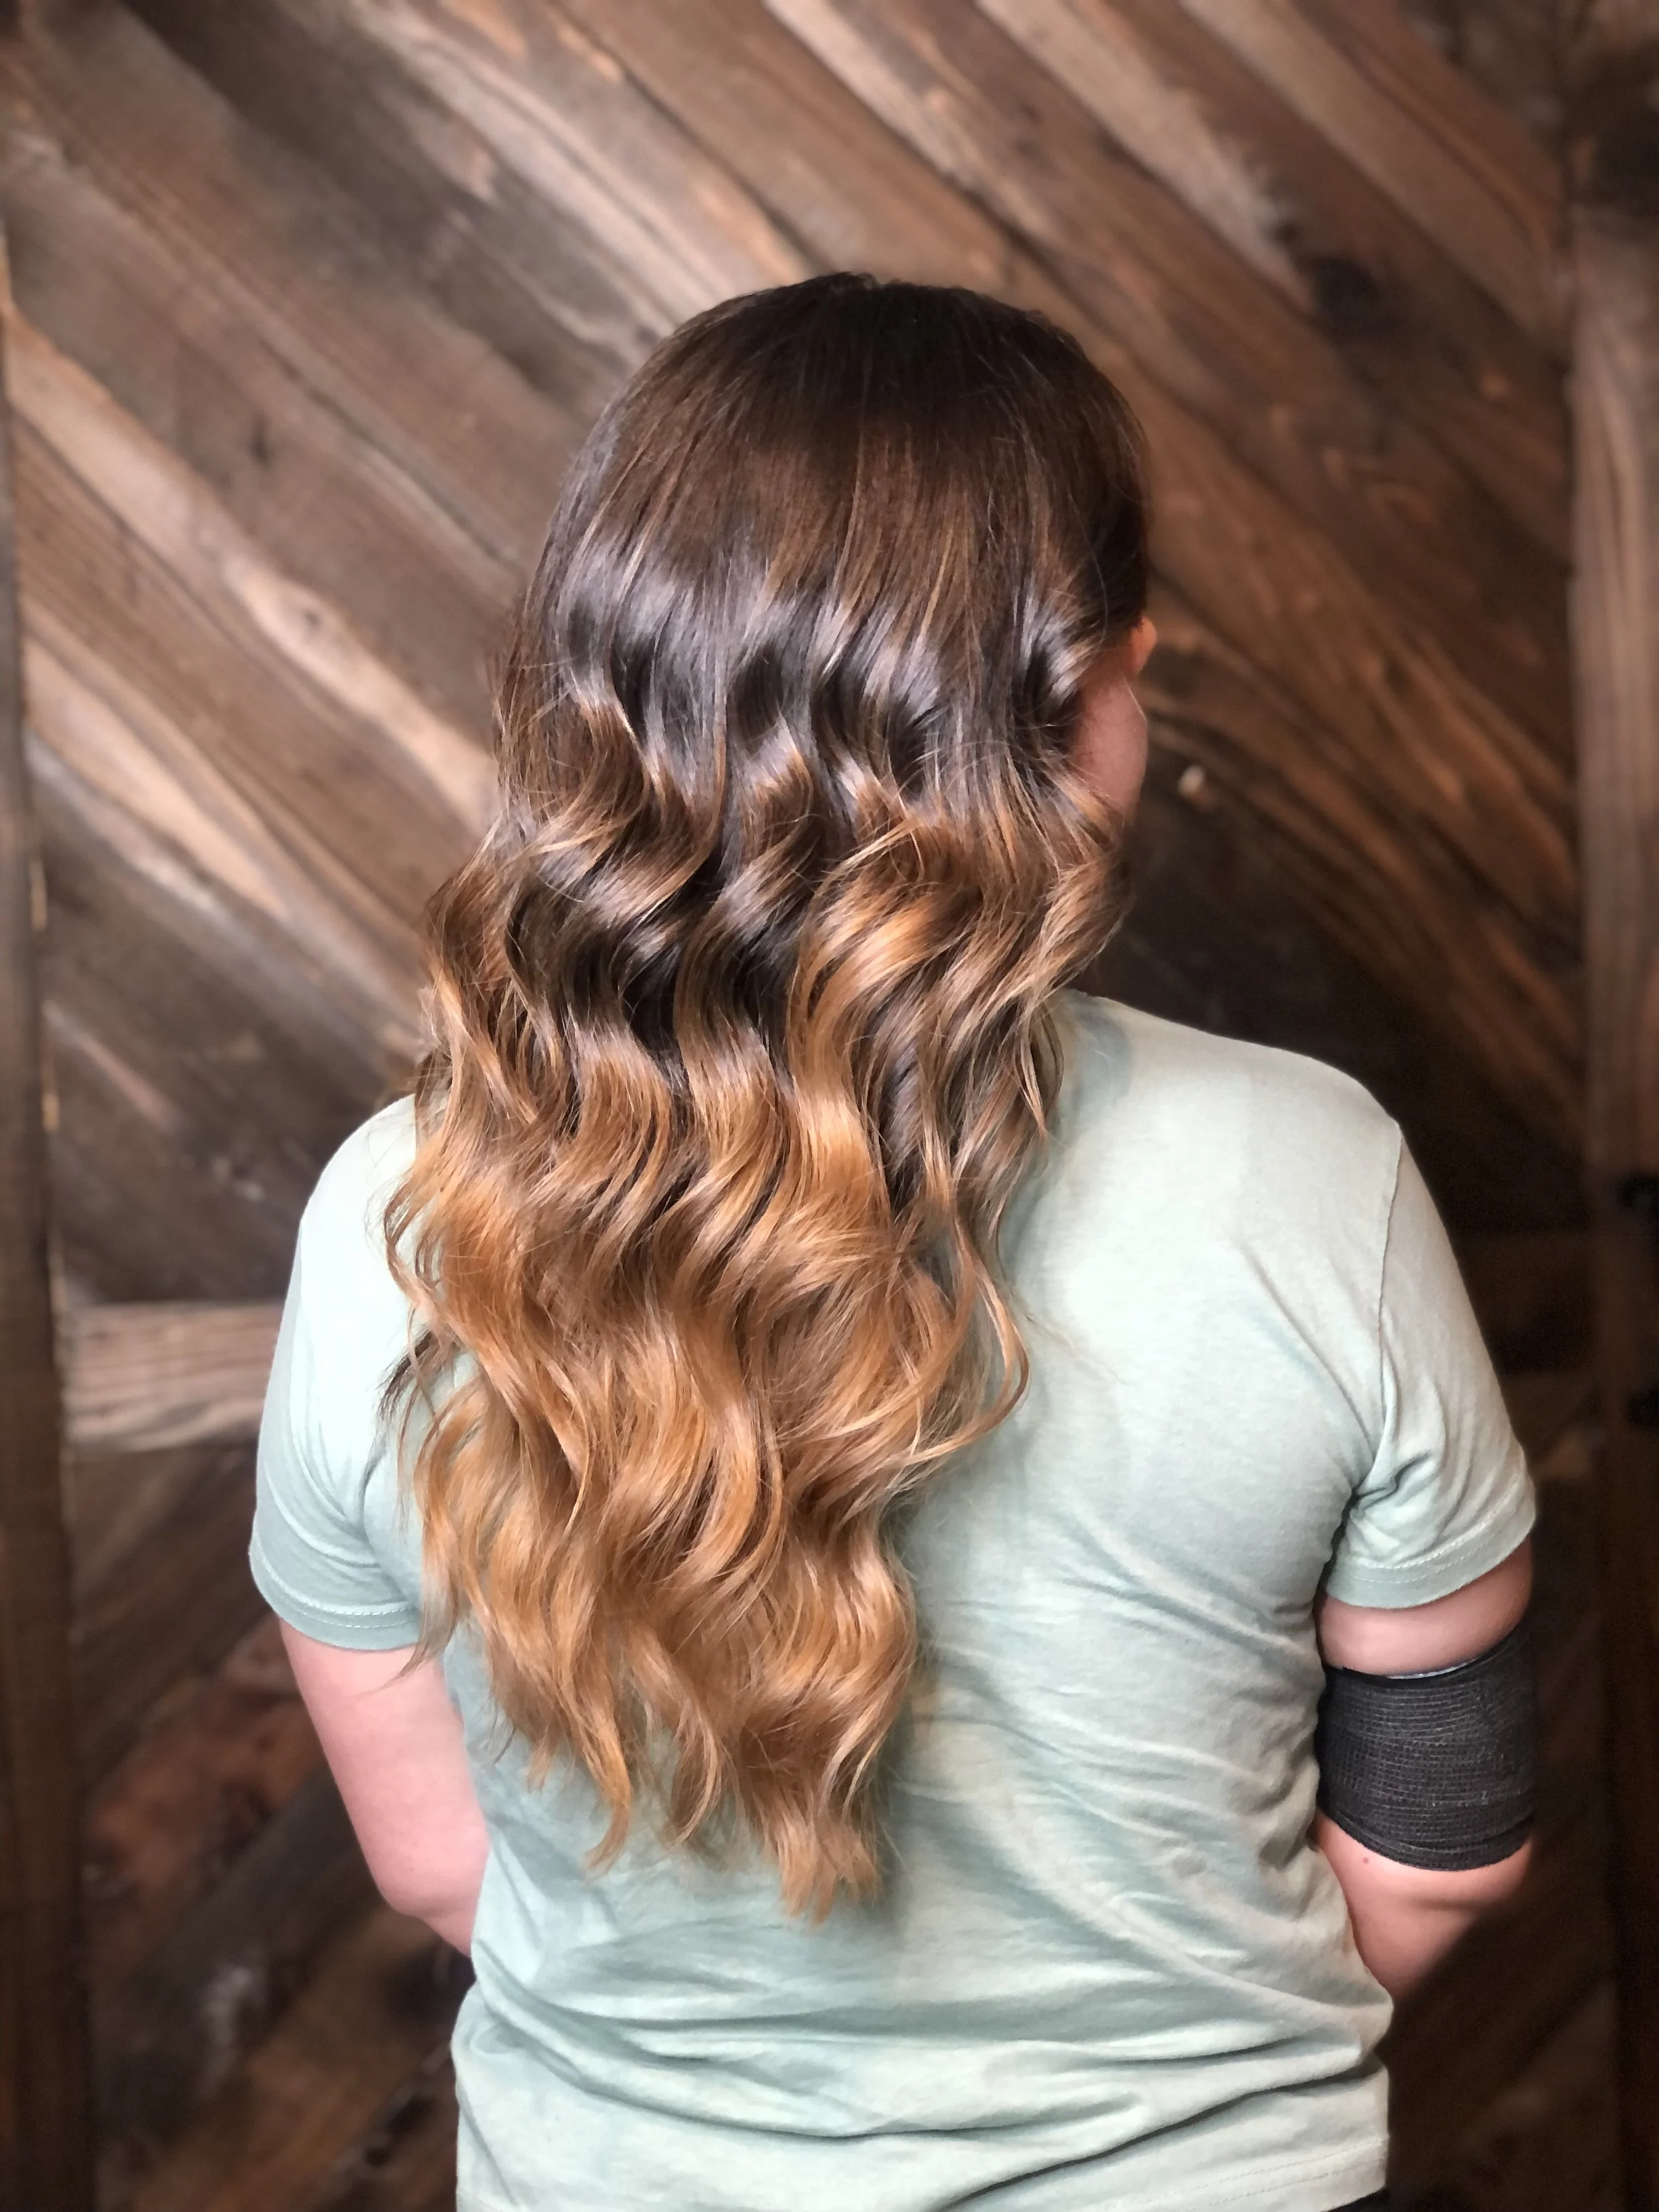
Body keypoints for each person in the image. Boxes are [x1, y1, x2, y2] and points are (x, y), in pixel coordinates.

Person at [252, 273, 1536, 2212]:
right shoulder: (1315, 1182)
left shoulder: (393, 1219)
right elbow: (1442, 1845)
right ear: (1093, 694)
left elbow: (441, 1861)